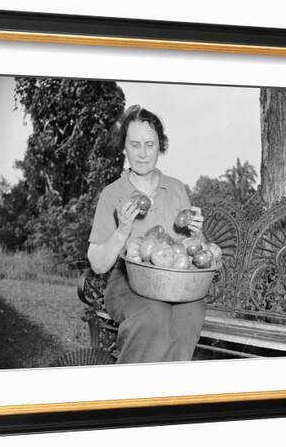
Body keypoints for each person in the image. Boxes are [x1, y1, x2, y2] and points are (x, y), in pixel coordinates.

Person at [87, 105, 207, 364]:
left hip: (174, 283)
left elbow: (194, 250)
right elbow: (97, 264)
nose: (142, 154)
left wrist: (197, 235)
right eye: (135, 145)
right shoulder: (112, 194)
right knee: (153, 317)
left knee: (190, 317)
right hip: (127, 282)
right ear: (124, 148)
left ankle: (167, 395)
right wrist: (122, 231)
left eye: (150, 145)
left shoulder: (176, 188)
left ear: (160, 147)